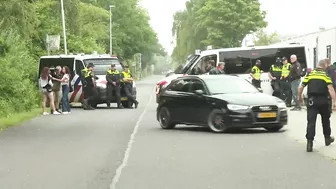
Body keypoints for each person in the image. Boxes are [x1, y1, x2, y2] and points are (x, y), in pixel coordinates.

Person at [298, 59, 336, 152]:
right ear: (324, 66)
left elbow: (301, 86)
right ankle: (327, 138)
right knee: (326, 120)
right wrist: (334, 101)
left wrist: (300, 97)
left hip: (312, 101)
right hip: (323, 100)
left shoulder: (310, 74)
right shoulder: (325, 75)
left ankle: (309, 143)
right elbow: (330, 89)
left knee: (311, 122)